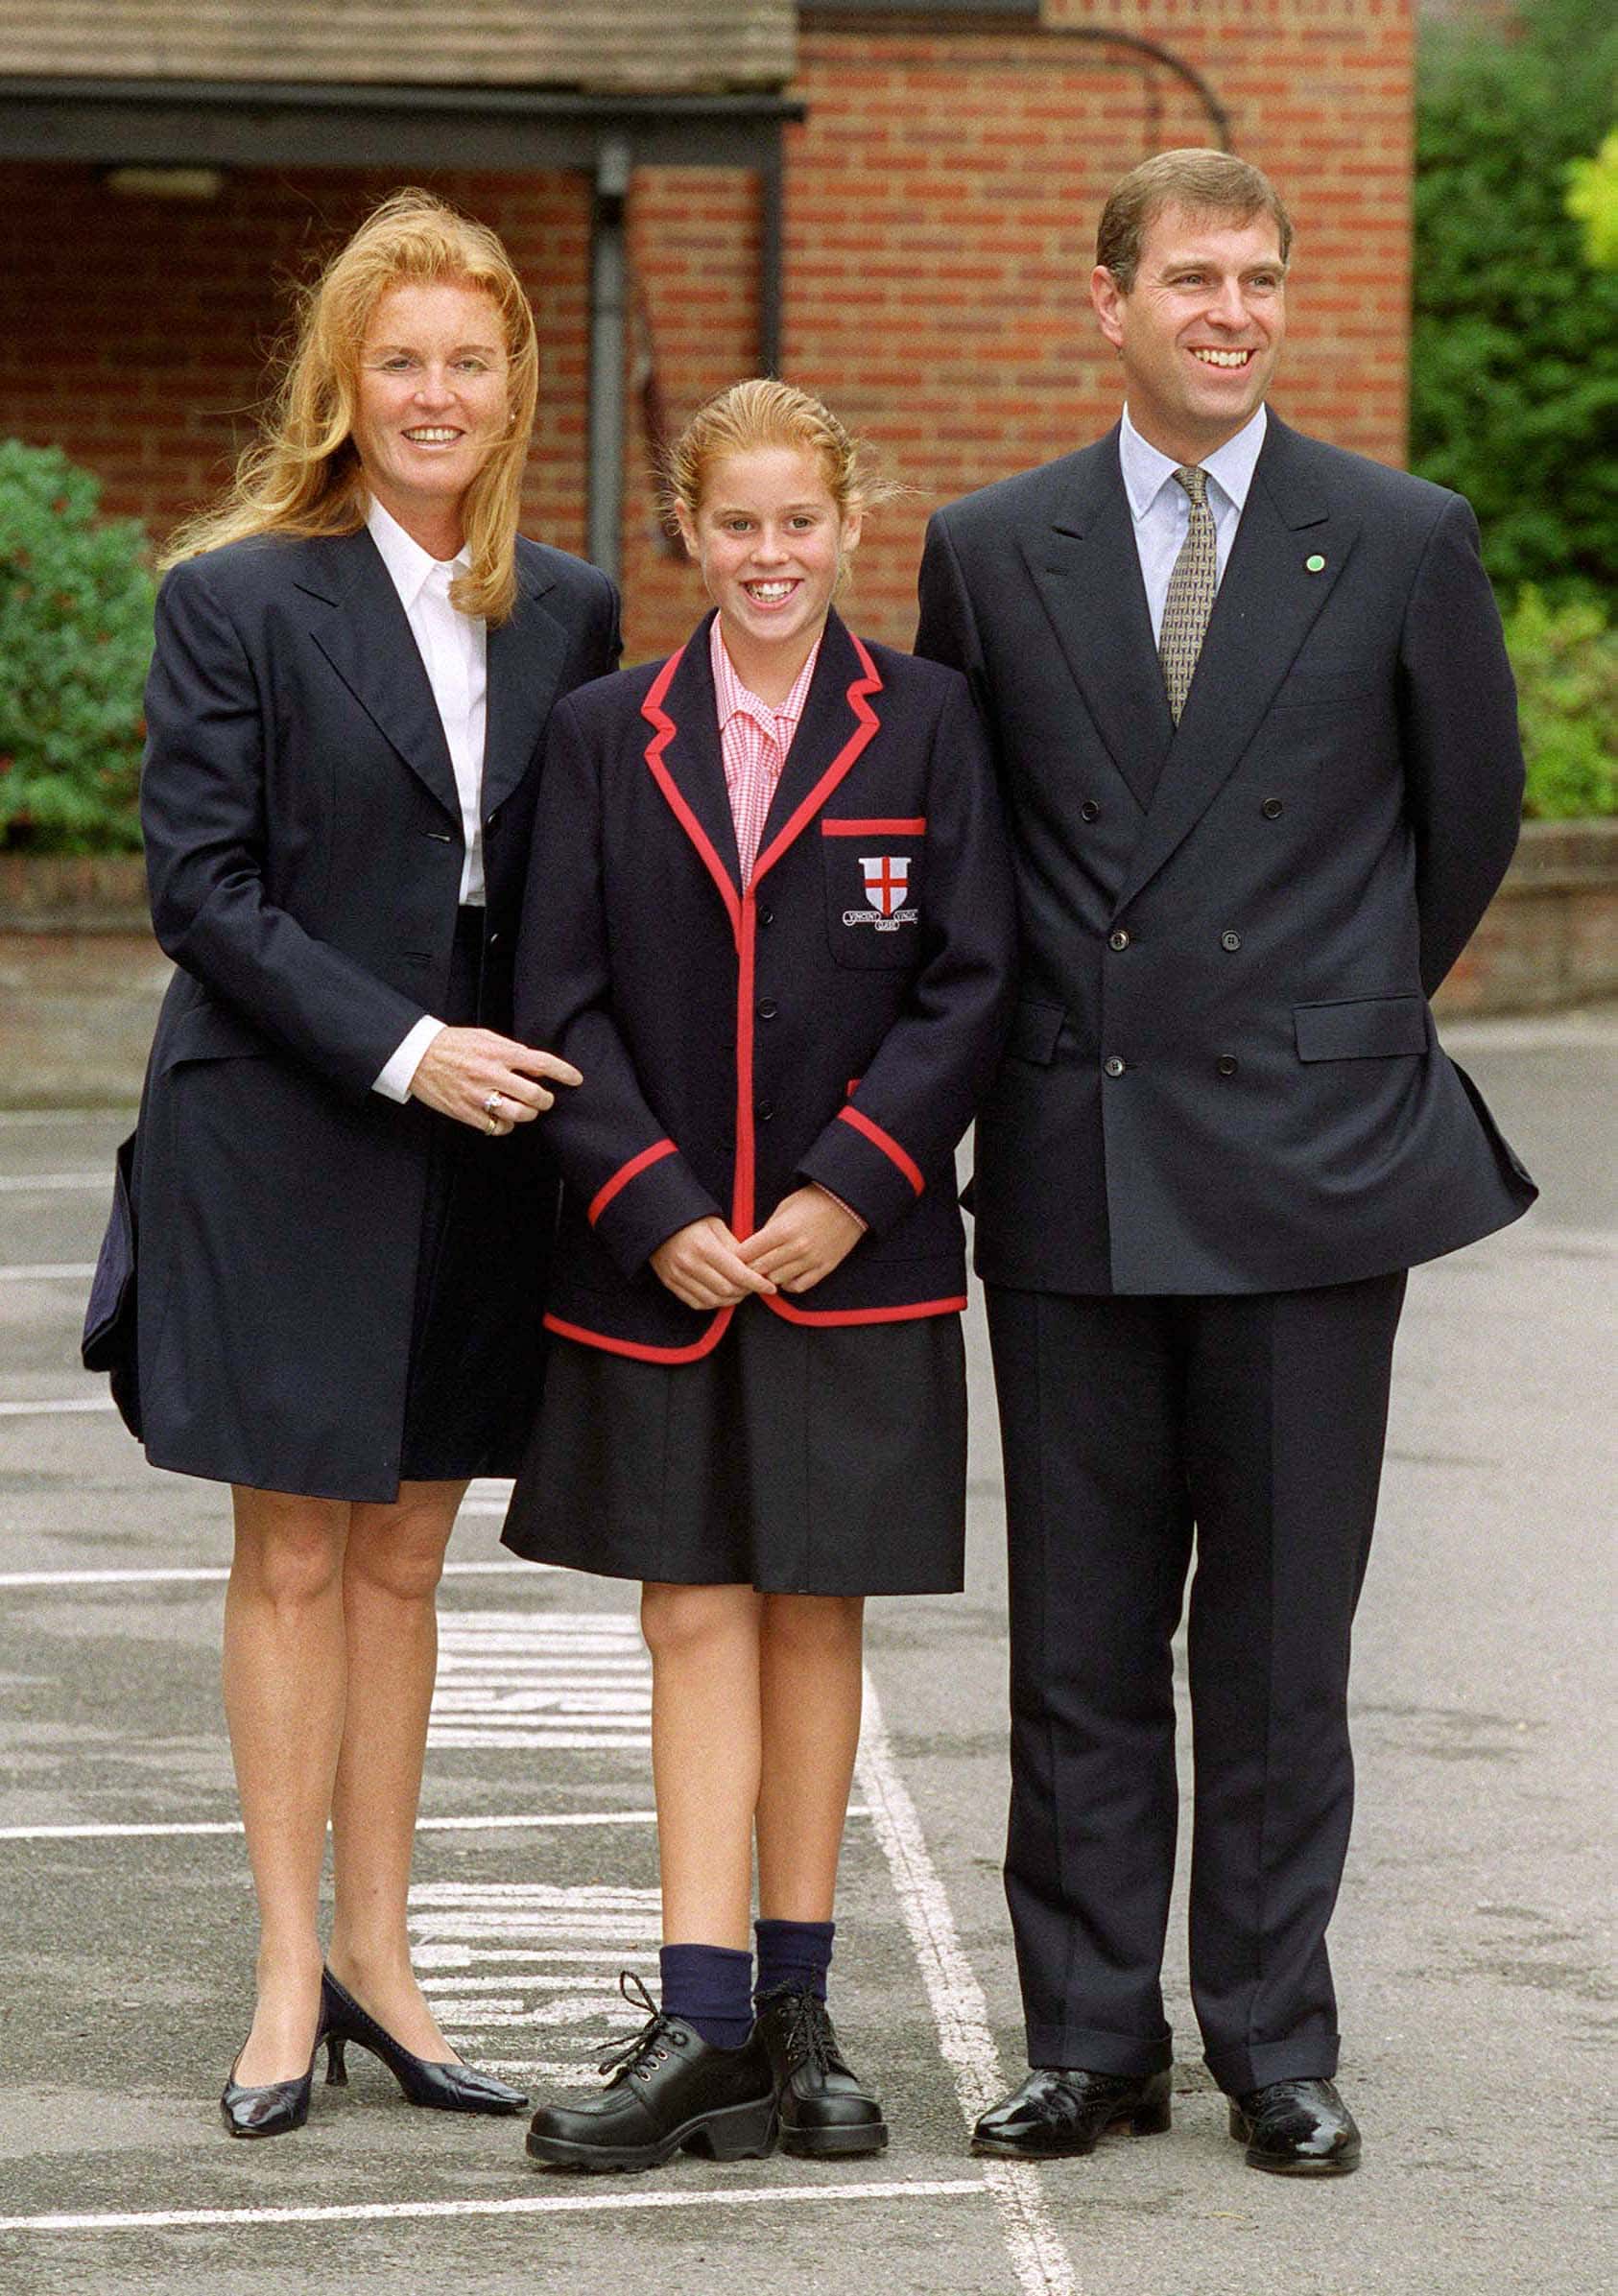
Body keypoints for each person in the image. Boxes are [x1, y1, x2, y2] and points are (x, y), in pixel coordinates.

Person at [915, 149, 1535, 2177]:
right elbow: (979, 862)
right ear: (1109, 302)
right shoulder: (996, 549)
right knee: (1081, 1640)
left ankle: (1275, 2038)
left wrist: (1322, 1020)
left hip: (1309, 1157)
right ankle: (1095, 2042)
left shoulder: (1402, 533)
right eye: (1191, 279)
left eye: (1261, 281)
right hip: (1081, 1154)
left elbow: (1466, 822)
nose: (1231, 315)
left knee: (1278, 1643)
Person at [81, 189, 620, 2138]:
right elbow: (199, 894)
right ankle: (282, 1983)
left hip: (490, 1146)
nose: (435, 392)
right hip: (292, 1124)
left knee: (408, 1557)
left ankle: (387, 1964)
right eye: (400, 360)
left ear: (511, 384)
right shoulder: (235, 595)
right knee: (294, 1548)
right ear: (344, 381)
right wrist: (402, 1049)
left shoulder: (565, 606)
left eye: (470, 361)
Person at [501, 379, 1013, 2172]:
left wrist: (847, 1189)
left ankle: (800, 2010)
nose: (770, 554)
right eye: (737, 524)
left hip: (848, 1264)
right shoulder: (598, 730)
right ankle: (703, 2016)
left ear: (850, 526)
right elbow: (549, 996)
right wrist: (651, 1202)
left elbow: (972, 983)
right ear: (688, 532)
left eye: (801, 521)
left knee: (814, 1613)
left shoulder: (933, 722)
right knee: (692, 1614)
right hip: (657, 1266)